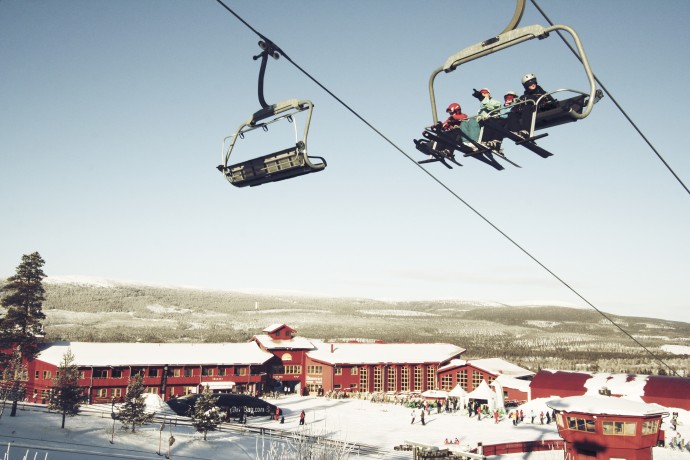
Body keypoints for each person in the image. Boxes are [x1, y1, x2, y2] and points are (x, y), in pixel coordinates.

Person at [507, 73, 557, 138]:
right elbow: (517, 106)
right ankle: (516, 132)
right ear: (526, 86)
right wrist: (515, 109)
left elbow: (552, 103)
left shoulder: (541, 93)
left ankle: (526, 132)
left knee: (527, 107)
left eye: (533, 81)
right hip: (525, 113)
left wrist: (545, 104)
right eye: (529, 83)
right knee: (511, 114)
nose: (532, 84)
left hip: (537, 110)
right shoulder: (523, 97)